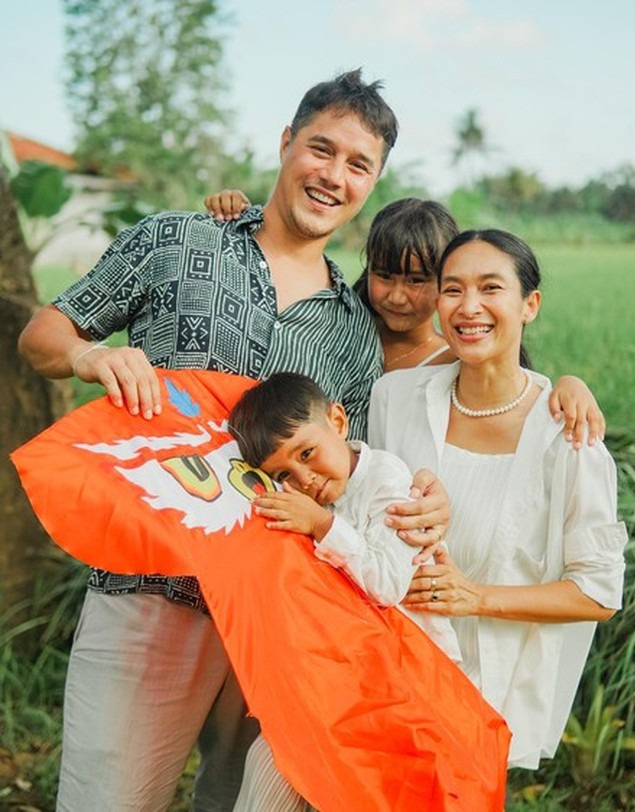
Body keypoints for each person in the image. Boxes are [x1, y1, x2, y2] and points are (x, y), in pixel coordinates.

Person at [17, 70, 448, 811]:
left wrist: (425, 499)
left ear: (372, 183)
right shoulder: (176, 240)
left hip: (278, 617)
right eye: (322, 149)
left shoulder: (353, 327)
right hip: (147, 588)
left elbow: (356, 472)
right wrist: (92, 356)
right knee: (107, 799)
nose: (334, 175)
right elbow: (43, 333)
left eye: (358, 165)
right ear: (286, 143)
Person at [369, 228, 628, 769]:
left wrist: (474, 596)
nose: (469, 307)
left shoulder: (567, 436)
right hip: (380, 675)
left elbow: (598, 593)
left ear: (529, 304)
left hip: (485, 699)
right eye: (453, 289)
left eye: (490, 288)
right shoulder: (394, 398)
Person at [227, 370, 462, 811]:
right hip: (348, 677)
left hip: (410, 684)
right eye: (283, 474)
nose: (304, 479)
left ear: (338, 421)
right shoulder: (313, 499)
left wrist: (321, 526)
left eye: (307, 453)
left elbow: (388, 583)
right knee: (275, 768)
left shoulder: (387, 480)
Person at [205, 191, 606, 447]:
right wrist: (242, 213)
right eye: (384, 275)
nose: (397, 296)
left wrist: (570, 385)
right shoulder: (337, 325)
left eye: (417, 280)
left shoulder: (458, 359)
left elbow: (515, 390)